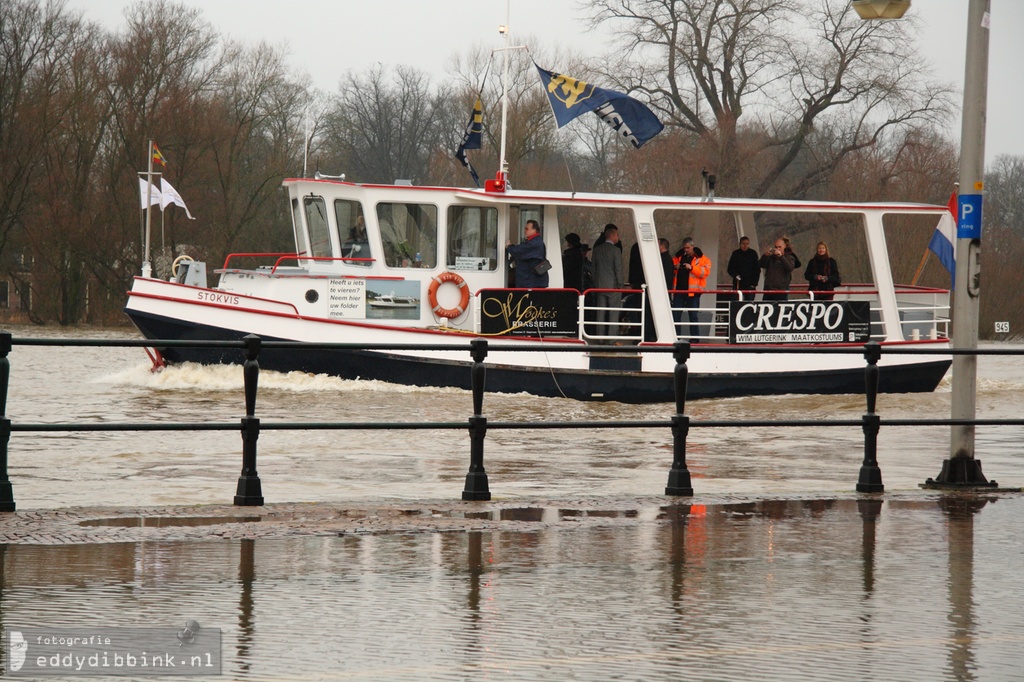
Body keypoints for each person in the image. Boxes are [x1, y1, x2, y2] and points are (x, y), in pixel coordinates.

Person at [591, 224, 623, 338]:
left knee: (600, 312)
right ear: (613, 236)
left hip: (600, 286)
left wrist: (596, 283)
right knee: (613, 313)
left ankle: (599, 338)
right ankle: (611, 339)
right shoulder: (616, 251)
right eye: (617, 235)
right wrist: (620, 285)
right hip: (613, 287)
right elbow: (618, 269)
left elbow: (593, 269)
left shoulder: (597, 250)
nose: (618, 237)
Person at [506, 219, 549, 288]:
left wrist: (509, 246)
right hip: (531, 280)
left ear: (534, 230)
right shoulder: (534, 242)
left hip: (531, 281)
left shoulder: (534, 243)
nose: (525, 231)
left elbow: (518, 251)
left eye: (527, 229)